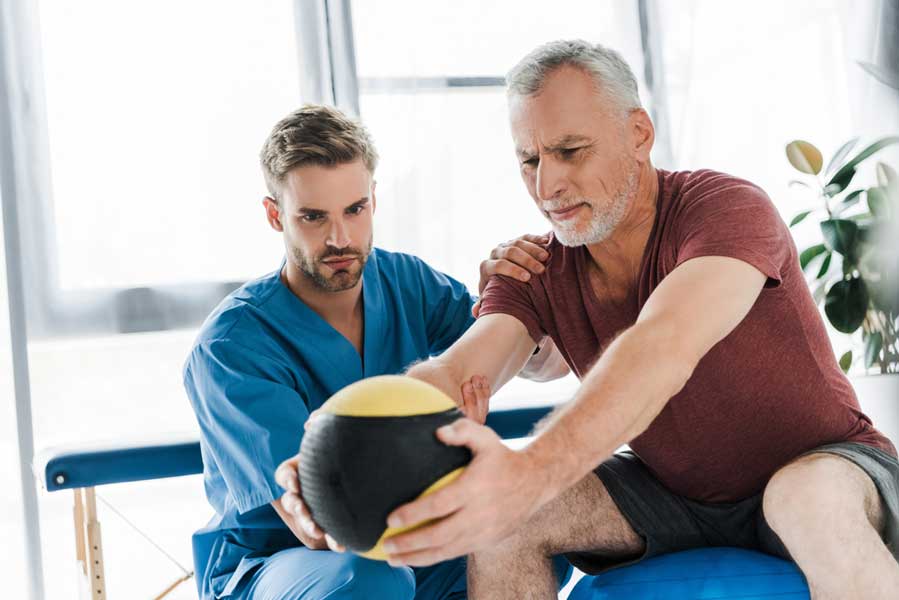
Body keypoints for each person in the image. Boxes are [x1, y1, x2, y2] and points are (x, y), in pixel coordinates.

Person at [281, 41, 899, 599]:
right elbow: (457, 371)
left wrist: (535, 470)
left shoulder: (723, 209)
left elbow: (663, 345)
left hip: (826, 462)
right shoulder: (539, 267)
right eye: (529, 161)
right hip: (674, 494)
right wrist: (332, 452)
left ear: (638, 133)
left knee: (803, 499)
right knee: (507, 518)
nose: (547, 184)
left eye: (570, 151)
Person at [183, 104, 570, 600]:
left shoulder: (405, 281)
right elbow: (319, 526)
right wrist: (439, 453)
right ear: (275, 215)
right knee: (366, 580)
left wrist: (514, 303)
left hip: (405, 539)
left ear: (373, 201)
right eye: (313, 217)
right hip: (282, 565)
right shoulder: (232, 346)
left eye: (354, 210)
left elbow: (541, 366)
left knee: (529, 540)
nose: (340, 238)